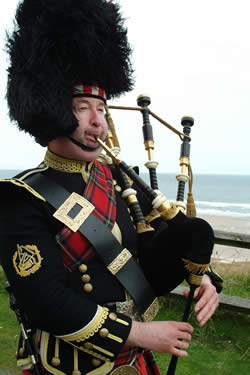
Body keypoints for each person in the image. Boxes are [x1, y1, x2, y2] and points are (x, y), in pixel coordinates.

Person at [0, 1, 223, 374]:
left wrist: (205, 277)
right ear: (50, 110)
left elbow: (165, 239)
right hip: (66, 365)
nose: (98, 123)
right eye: (82, 107)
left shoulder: (120, 178)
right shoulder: (21, 197)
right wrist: (140, 333)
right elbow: (44, 301)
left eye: (101, 110)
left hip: (131, 364)